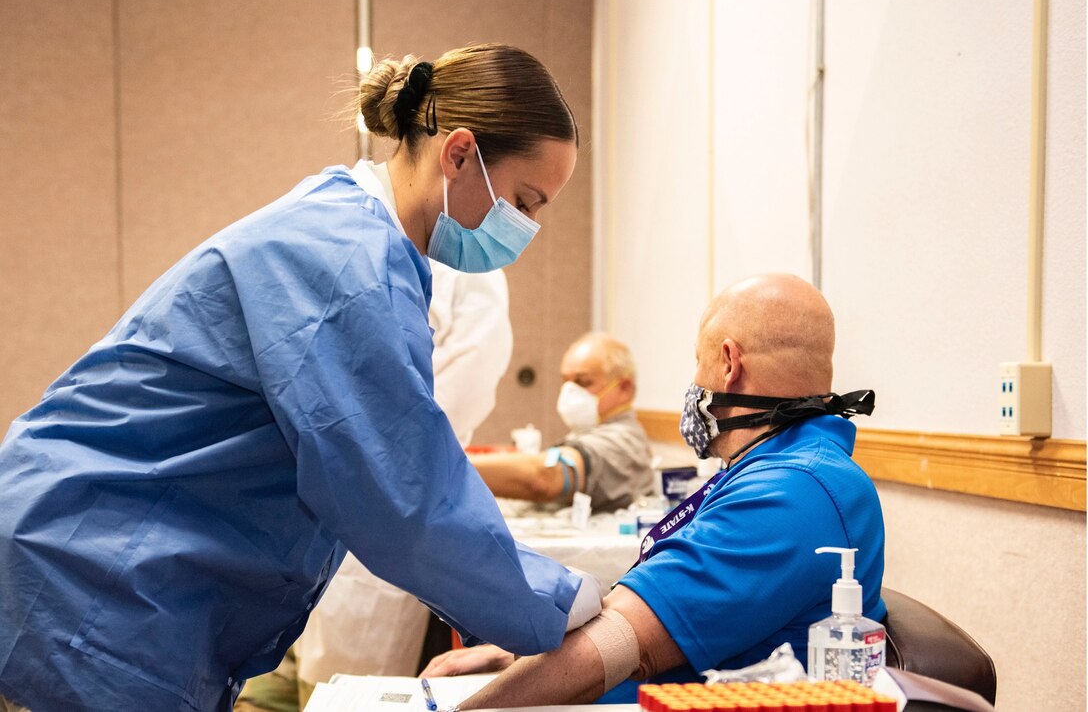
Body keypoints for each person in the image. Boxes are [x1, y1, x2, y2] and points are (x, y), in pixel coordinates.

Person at [0, 44, 602, 711]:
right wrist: (568, 602)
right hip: (84, 579)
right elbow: (406, 499)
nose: (527, 228)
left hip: (101, 562)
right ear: (458, 154)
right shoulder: (351, 264)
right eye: (525, 200)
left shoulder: (351, 229)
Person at [422, 273, 886, 708]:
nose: (695, 383)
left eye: (697, 360)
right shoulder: (775, 469)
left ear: (728, 363)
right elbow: (644, 611)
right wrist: (516, 656)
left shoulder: (791, 493)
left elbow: (620, 643)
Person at [236, 260, 513, 711]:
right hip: (298, 527)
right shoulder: (357, 259)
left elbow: (438, 416)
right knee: (274, 679)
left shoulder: (468, 279)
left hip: (373, 531)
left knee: (339, 685)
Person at [470, 331, 653, 513]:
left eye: (583, 382)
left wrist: (453, 465)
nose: (570, 392)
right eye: (565, 382)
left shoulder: (623, 441)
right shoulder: (587, 433)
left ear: (624, 389)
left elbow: (545, 477)